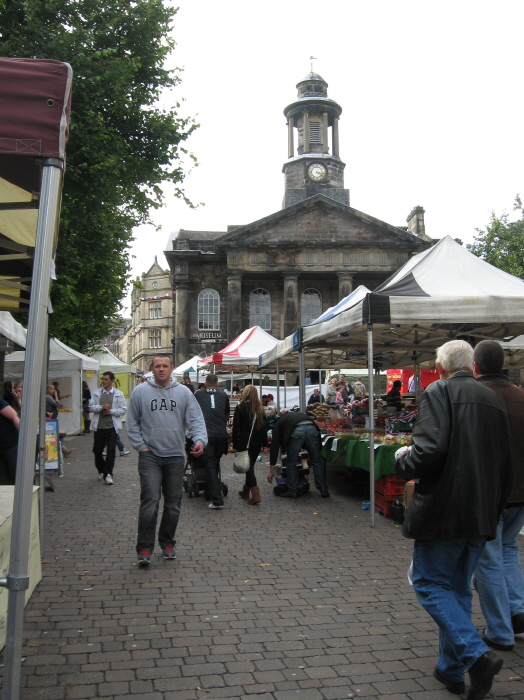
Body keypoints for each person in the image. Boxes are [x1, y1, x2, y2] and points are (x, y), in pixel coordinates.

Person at [395, 340, 513, 700]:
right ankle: (451, 670)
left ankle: (476, 656)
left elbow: (428, 449)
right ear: (472, 365)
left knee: (429, 583)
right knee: (457, 588)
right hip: (482, 511)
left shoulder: (438, 391)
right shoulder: (493, 398)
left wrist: (402, 461)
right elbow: (506, 463)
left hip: (445, 507)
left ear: (441, 365)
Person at [126, 353, 207, 566]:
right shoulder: (140, 392)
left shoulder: (183, 393)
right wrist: (140, 447)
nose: (161, 369)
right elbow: (132, 422)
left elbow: (196, 420)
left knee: (173, 504)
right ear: (152, 369)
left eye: (165, 366)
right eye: (157, 366)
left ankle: (167, 542)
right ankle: (144, 548)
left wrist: (199, 440)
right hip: (150, 455)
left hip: (175, 456)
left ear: (172, 369)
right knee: (150, 501)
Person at [472, 340, 524, 651]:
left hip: (491, 492)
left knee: (489, 560)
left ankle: (500, 631)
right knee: (508, 552)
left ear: (475, 366)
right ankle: (517, 611)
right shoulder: (521, 395)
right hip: (520, 492)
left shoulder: (479, 397)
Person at [267, 411, 329, 499]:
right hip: (312, 427)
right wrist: (312, 458)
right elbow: (316, 446)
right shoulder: (293, 417)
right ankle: (323, 489)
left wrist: (270, 472)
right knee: (317, 461)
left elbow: (274, 447)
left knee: (291, 462)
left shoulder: (278, 425)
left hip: (297, 430)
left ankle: (293, 490)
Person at [194, 374, 230, 509]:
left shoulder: (198, 395)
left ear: (205, 383)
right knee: (215, 463)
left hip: (206, 434)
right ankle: (209, 492)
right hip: (221, 435)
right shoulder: (223, 395)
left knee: (210, 465)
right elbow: (226, 415)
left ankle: (217, 500)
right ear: (217, 384)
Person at [232, 385, 268, 505]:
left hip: (244, 441)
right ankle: (246, 490)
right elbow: (264, 428)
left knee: (249, 468)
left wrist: (234, 442)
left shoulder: (240, 407)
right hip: (256, 442)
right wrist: (265, 443)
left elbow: (235, 427)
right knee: (250, 465)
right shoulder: (260, 408)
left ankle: (255, 494)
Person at [89, 371, 127, 485]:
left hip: (112, 427)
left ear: (112, 381)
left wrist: (110, 411)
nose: (104, 381)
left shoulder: (118, 394)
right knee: (97, 450)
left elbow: (123, 409)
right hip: (99, 426)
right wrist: (101, 407)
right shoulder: (96, 393)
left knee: (111, 451)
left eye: (106, 379)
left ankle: (108, 473)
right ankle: (101, 469)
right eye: (103, 379)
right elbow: (91, 407)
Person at [0, 396, 20, 485]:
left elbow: (14, 416)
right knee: (3, 479)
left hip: (10, 444)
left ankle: (21, 498)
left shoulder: (0, 403)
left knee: (16, 475)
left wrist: (22, 437)